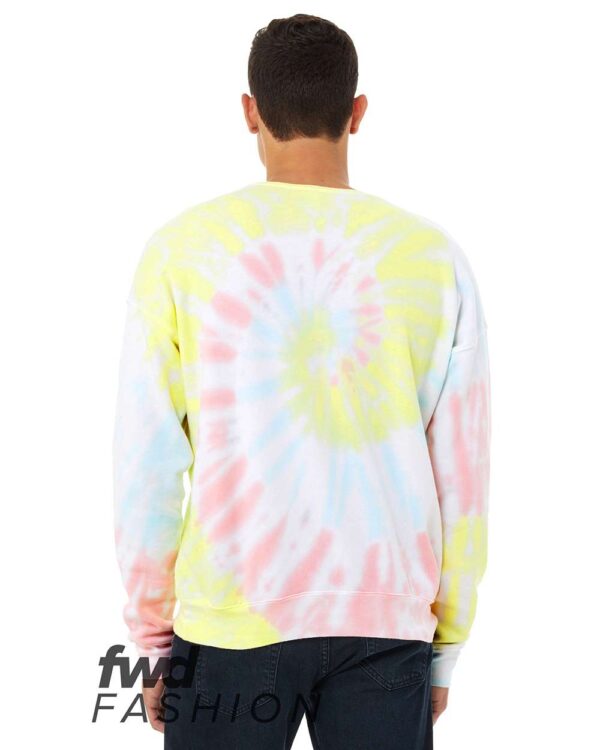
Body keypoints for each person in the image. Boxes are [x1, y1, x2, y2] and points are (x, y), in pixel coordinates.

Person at [112, 13, 491, 750]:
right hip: (384, 620)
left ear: (250, 111)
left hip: (229, 619)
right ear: (358, 112)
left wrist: (152, 642)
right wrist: (445, 645)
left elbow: (146, 464)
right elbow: (463, 473)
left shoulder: (182, 252)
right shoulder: (433, 258)